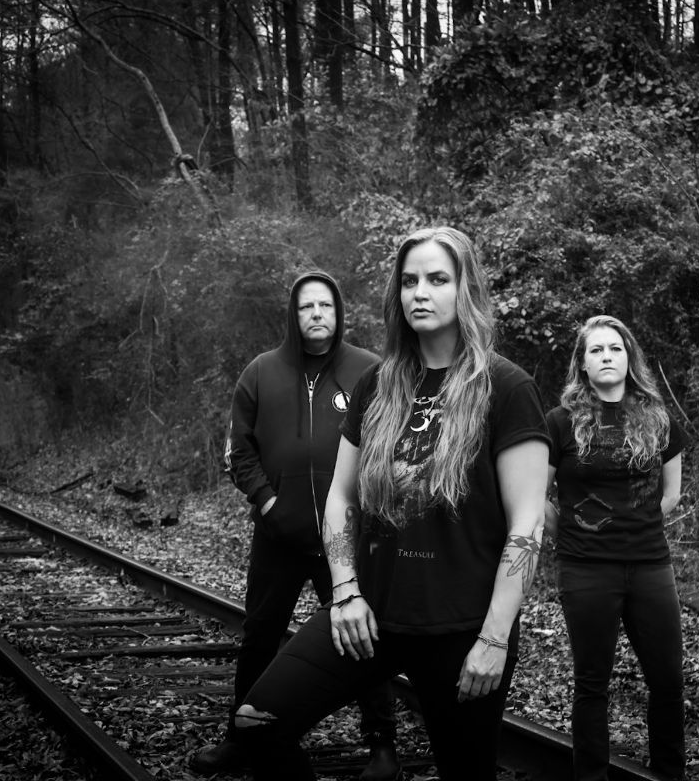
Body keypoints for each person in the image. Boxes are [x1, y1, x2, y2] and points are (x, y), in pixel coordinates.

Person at [231, 226, 549, 781]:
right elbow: (341, 497)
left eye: (437, 279)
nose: (419, 292)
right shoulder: (378, 384)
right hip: (371, 617)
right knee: (256, 723)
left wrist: (495, 637)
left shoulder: (507, 388)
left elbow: (527, 525)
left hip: (462, 629)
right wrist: (346, 591)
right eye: (408, 281)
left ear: (466, 289)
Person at [191, 271, 401, 781]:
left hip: (345, 539)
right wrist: (268, 503)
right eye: (307, 307)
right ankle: (242, 738)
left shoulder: (368, 370)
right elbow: (238, 451)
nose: (316, 315)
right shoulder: (261, 372)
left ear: (338, 312)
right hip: (278, 538)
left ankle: (382, 747)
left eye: (325, 306)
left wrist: (368, 511)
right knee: (260, 636)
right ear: (293, 314)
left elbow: (389, 447)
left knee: (362, 637)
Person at [545, 315, 689, 781]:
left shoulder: (658, 419)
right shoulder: (560, 423)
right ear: (582, 364)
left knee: (667, 680)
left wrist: (634, 527)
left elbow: (671, 494)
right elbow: (538, 496)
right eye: (596, 350)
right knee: (592, 684)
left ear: (629, 359)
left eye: (615, 349)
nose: (606, 357)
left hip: (650, 565)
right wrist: (572, 534)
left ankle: (669, 773)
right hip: (585, 569)